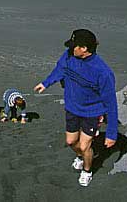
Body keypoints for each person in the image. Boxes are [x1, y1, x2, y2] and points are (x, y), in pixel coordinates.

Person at [34, 29, 118, 187]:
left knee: (85, 145)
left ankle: (87, 171)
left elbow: (111, 103)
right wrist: (46, 83)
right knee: (72, 142)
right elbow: (60, 69)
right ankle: (82, 155)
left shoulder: (103, 72)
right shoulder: (69, 55)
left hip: (92, 113)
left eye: (74, 46)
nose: (71, 48)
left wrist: (112, 133)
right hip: (72, 107)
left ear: (84, 49)